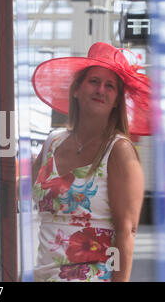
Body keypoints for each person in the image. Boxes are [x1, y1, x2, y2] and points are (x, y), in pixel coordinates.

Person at [31, 42, 150, 282]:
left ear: (117, 100)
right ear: (77, 89)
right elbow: (23, 187)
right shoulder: (53, 141)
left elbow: (127, 233)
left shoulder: (119, 151)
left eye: (110, 86)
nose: (101, 90)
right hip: (41, 275)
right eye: (94, 81)